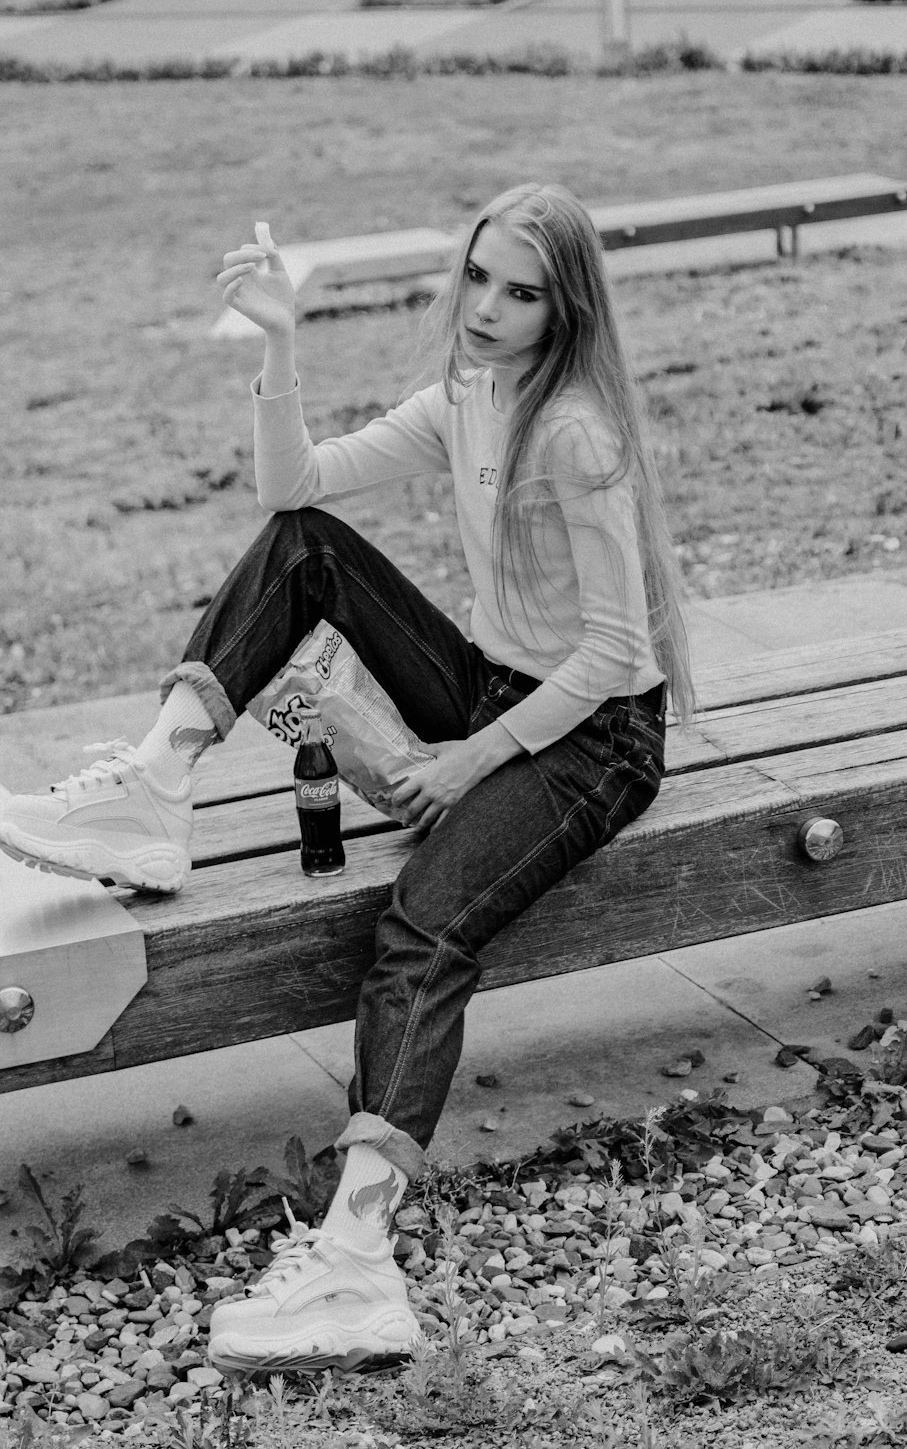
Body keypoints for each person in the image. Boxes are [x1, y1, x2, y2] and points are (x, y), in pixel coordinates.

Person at [0, 182, 695, 1375]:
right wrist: (277, 343)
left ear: (564, 308)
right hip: (493, 688)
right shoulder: (471, 394)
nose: (486, 307)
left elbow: (620, 657)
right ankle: (158, 786)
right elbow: (293, 489)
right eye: (478, 276)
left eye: (520, 292)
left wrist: (467, 760)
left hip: (594, 740)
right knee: (303, 549)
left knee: (421, 929)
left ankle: (357, 1265)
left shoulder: (576, 434)